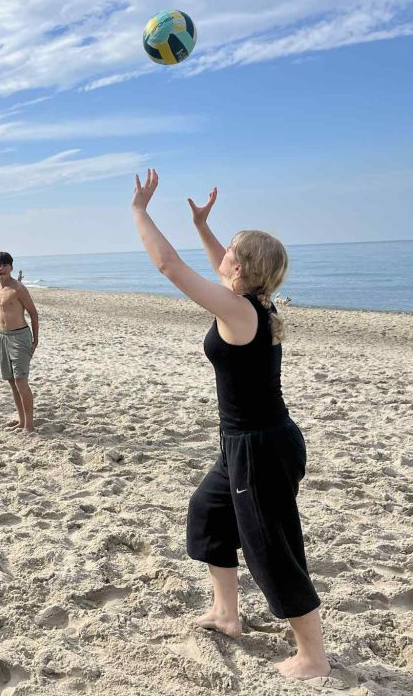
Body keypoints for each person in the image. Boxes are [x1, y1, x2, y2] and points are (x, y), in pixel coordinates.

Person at [130, 169, 329, 680]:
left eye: (230, 252)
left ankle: (313, 656)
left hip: (260, 448)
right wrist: (201, 226)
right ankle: (226, 614)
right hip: (245, 443)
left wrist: (139, 211)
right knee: (209, 513)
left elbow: (169, 265)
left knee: (271, 548)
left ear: (240, 268)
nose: (223, 256)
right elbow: (222, 263)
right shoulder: (252, 300)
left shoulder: (239, 311)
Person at [0, 251, 39, 433]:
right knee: (11, 381)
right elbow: (0, 313)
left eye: (5, 265)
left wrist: (35, 340)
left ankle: (29, 426)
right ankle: (21, 421)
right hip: (3, 337)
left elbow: (33, 314)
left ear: (11, 267)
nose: (1, 268)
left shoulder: (18, 289)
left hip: (20, 337)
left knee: (20, 380)